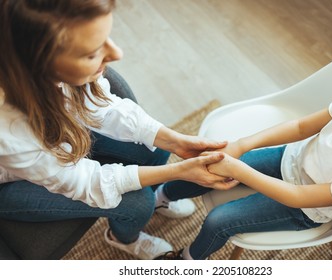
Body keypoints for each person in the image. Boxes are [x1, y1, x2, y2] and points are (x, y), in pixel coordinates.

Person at [0, 0, 236, 260]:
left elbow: (99, 105)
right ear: (38, 65)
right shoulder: (9, 131)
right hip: (11, 184)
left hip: (55, 142)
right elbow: (83, 182)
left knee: (154, 147)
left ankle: (161, 197)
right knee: (137, 204)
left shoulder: (45, 74)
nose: (117, 54)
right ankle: (123, 239)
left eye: (107, 38)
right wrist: (178, 171)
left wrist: (175, 141)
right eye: (92, 53)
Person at [155, 33, 332, 260]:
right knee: (210, 164)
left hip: (305, 208)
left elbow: (297, 197)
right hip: (293, 157)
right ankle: (161, 196)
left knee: (219, 221)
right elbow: (300, 127)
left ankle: (190, 260)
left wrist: (237, 169)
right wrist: (241, 145)